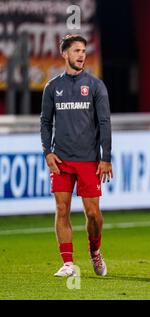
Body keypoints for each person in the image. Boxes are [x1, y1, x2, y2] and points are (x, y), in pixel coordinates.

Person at [40, 34, 112, 277]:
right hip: (61, 160)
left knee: (93, 215)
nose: (82, 55)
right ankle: (68, 263)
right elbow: (45, 122)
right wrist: (47, 152)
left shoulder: (95, 85)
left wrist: (106, 157)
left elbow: (104, 123)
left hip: (89, 161)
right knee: (62, 210)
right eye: (77, 51)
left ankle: (95, 251)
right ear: (65, 54)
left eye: (84, 50)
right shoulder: (52, 87)